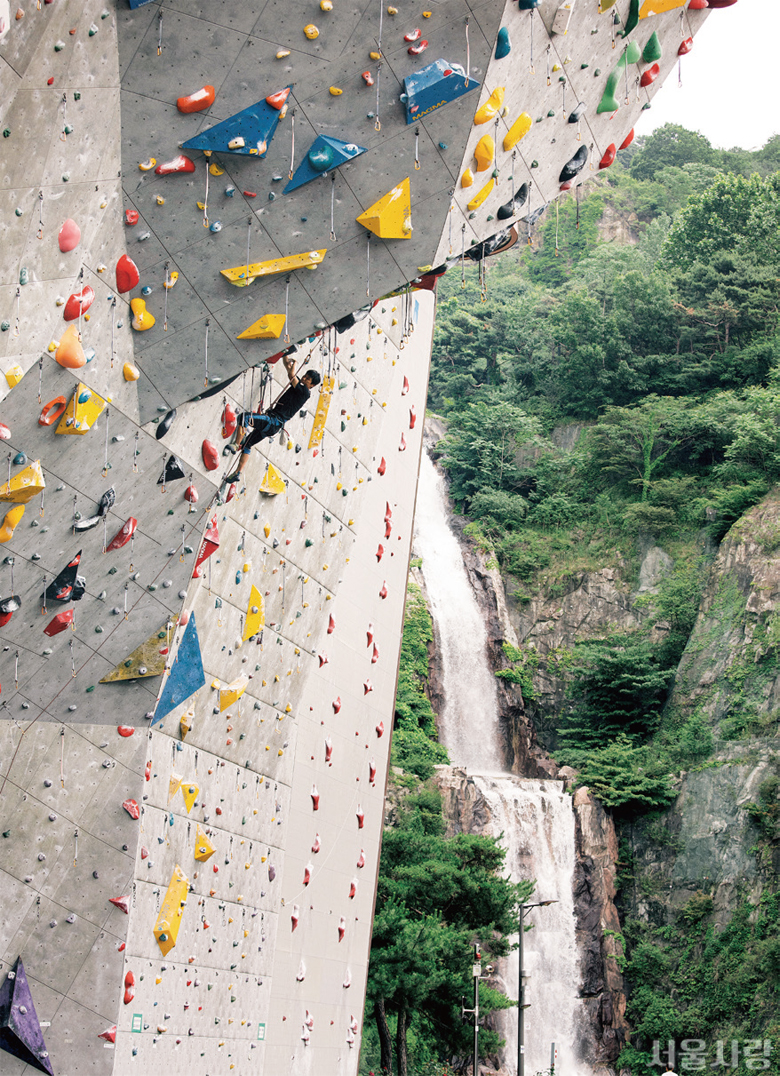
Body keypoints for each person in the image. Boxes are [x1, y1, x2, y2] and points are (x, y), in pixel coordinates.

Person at [225, 354, 321, 483]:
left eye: (308, 379)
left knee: (245, 417)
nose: (304, 378)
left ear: (312, 385)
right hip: (273, 426)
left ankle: (236, 444)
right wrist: (286, 354)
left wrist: (297, 363)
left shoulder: (305, 392)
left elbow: (291, 375)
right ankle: (238, 472)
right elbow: (288, 367)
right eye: (305, 376)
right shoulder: (298, 386)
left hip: (273, 421)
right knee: (248, 444)